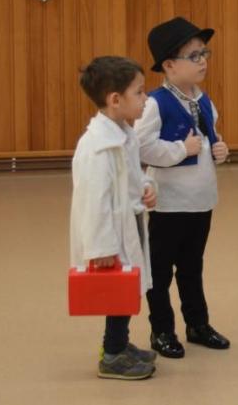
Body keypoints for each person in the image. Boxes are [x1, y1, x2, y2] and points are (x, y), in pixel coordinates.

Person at [136, 17, 231, 359]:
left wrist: (219, 149)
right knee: (160, 271)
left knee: (193, 267)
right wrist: (180, 150)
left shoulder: (203, 99)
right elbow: (141, 147)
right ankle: (162, 329)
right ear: (169, 65)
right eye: (194, 56)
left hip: (201, 200)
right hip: (169, 203)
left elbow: (209, 137)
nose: (203, 61)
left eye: (204, 53)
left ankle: (197, 324)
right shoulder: (155, 103)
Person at [70, 56, 158, 380]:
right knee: (117, 291)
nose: (146, 98)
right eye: (140, 92)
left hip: (129, 222)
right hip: (111, 234)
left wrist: (146, 187)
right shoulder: (98, 147)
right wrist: (101, 247)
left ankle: (120, 343)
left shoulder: (124, 134)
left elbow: (133, 176)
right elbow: (94, 203)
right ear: (115, 100)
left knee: (128, 288)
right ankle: (112, 354)